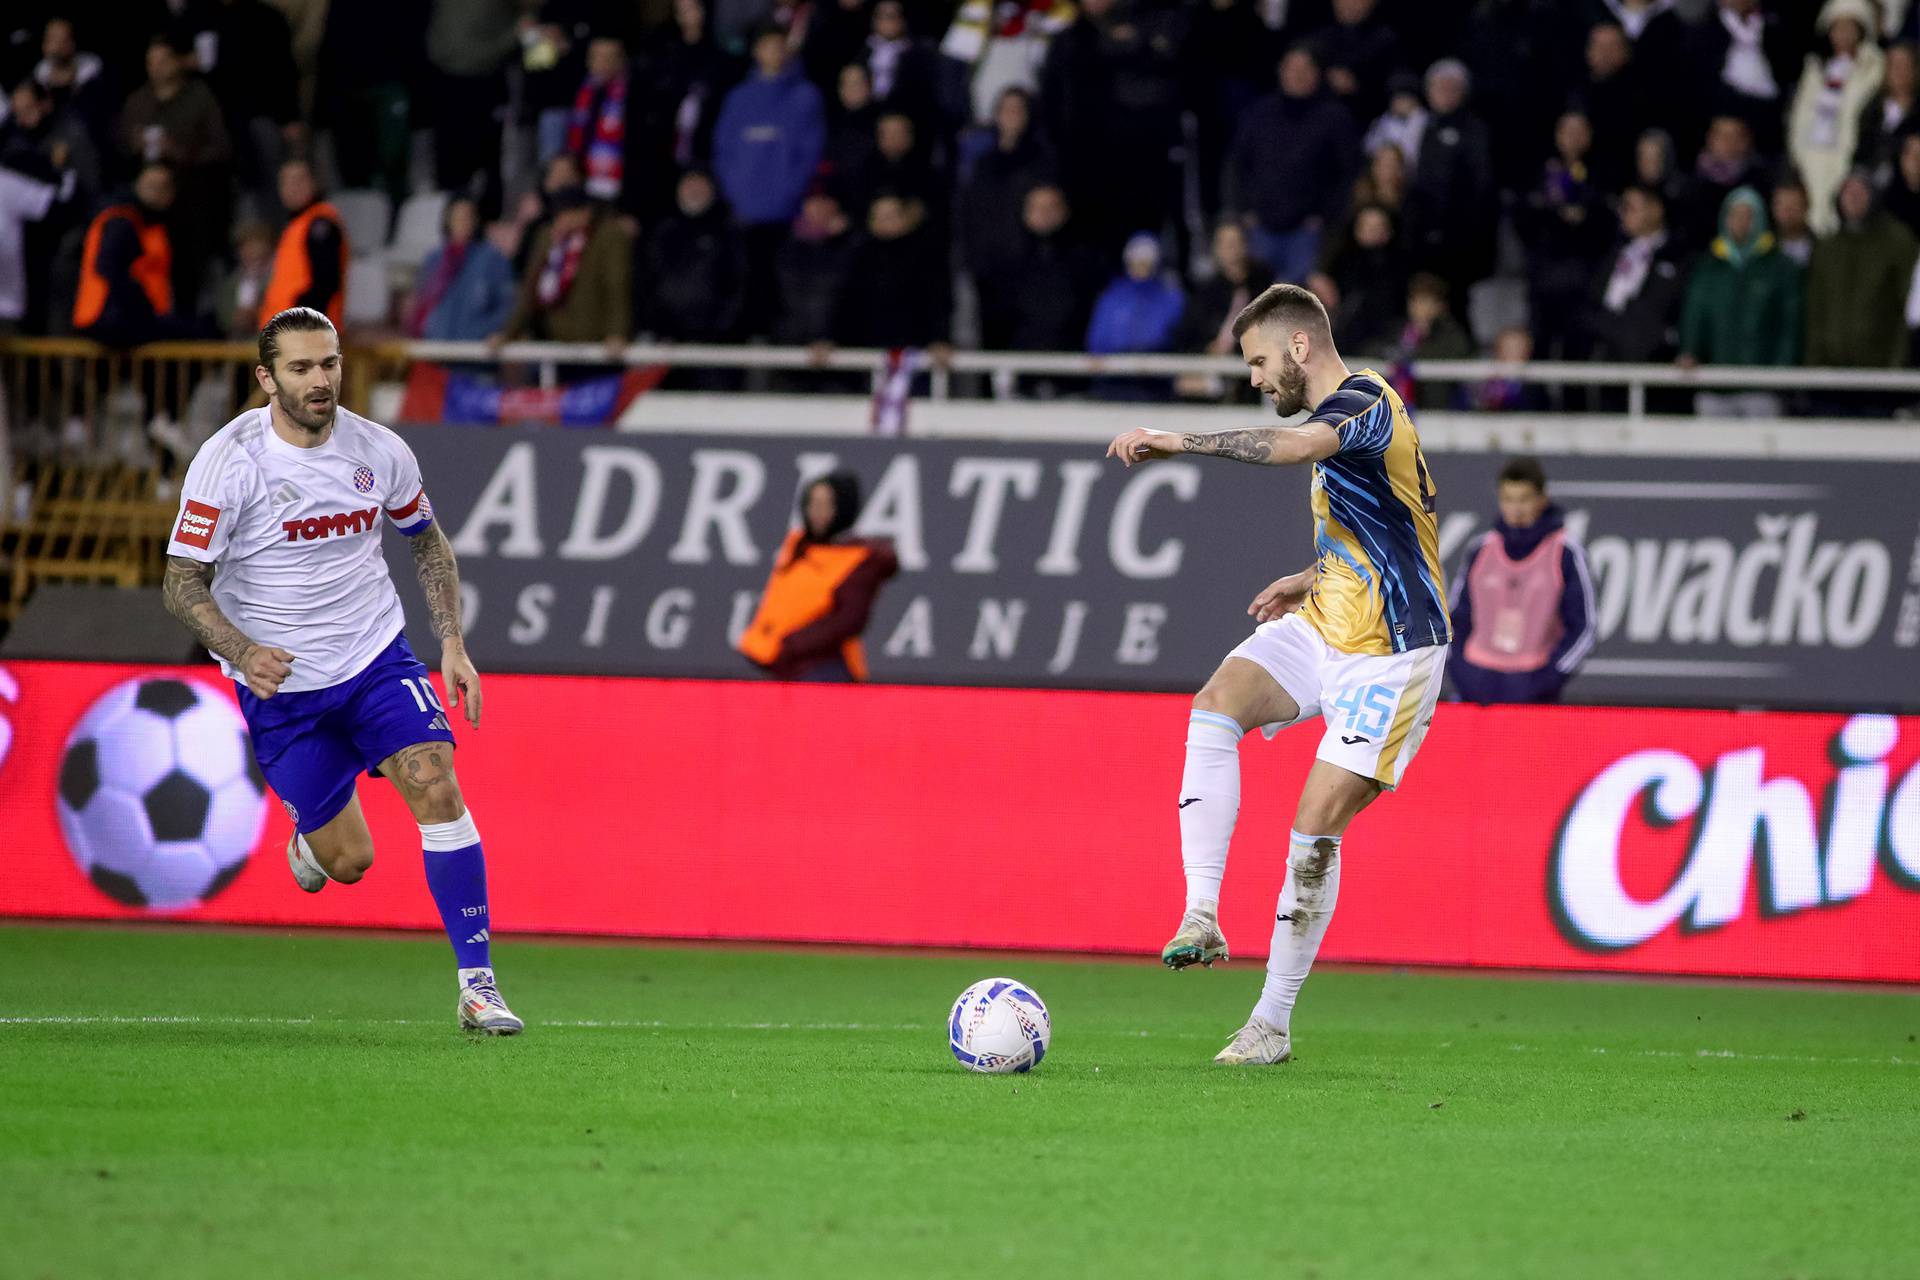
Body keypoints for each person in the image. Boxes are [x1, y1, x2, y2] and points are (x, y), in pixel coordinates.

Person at [1103, 282, 1450, 1066]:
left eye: (1259, 361)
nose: (1256, 381)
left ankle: (1271, 1023)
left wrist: (1178, 442)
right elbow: (1403, 510)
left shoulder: (1364, 402)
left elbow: (1291, 448)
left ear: (1300, 346)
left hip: (1391, 655)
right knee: (1215, 704)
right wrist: (1313, 570)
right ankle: (1200, 913)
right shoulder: (1356, 427)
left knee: (1311, 833)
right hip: (1326, 618)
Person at [160, 307, 521, 1035]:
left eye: (328, 363)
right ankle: (310, 836)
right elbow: (180, 582)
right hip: (282, 686)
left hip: (372, 655)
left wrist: (451, 643)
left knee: (436, 781)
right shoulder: (229, 462)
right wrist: (240, 650)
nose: (320, 380)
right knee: (351, 862)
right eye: (300, 368)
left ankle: (479, 986)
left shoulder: (378, 450)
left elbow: (427, 542)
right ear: (267, 378)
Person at [1447, 456, 1595, 705]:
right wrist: (1464, 673)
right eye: (1508, 499)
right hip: (1475, 691)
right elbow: (1455, 619)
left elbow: (1583, 628)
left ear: (1541, 499)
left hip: (1534, 696)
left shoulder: (1565, 552)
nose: (1516, 509)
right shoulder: (1481, 549)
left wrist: (1547, 678)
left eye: (1524, 499)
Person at [738, 471, 899, 682]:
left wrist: (793, 645)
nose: (817, 512)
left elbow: (848, 621)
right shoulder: (798, 545)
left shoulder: (858, 559)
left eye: (826, 505)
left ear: (842, 508)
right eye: (812, 503)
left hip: (824, 667)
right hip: (781, 662)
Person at [1678, 186, 1803, 416]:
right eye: (1735, 214)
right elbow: (1695, 314)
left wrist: (1779, 374)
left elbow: (1789, 325)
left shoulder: (1780, 267)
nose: (1741, 222)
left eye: (1748, 215)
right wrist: (1690, 349)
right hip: (1714, 384)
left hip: (1760, 388)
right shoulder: (1709, 266)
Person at [492, 185, 631, 354]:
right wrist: (508, 333)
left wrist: (617, 332)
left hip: (597, 345)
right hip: (553, 341)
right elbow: (530, 289)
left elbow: (617, 288)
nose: (559, 220)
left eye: (564, 213)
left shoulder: (608, 237)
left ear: (584, 213)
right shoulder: (548, 237)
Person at [1788, 0, 1885, 237]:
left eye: (1848, 27)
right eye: (1837, 28)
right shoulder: (1816, 70)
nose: (1842, 34)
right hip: (1813, 154)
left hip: (1847, 155)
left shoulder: (1872, 67)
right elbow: (1800, 117)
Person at [1805, 170, 1919, 368]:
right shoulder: (1827, 247)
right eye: (1848, 193)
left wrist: (1898, 362)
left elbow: (1907, 305)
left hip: (1880, 370)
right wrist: (1813, 363)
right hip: (1831, 370)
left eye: (1860, 193)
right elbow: (1816, 309)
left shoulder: (1897, 241)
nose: (1853, 199)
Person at [72, 163, 188, 346]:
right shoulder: (122, 218)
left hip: (122, 317)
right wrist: (142, 308)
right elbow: (109, 268)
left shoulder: (154, 225)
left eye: (163, 187)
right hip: (108, 317)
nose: (156, 193)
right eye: (151, 186)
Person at [408, 196, 515, 340]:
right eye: (457, 217)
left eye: (467, 217)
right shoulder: (434, 259)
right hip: (435, 349)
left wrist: (493, 332)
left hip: (476, 352)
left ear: (476, 220)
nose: (462, 223)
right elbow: (421, 305)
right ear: (448, 220)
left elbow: (507, 307)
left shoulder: (493, 259)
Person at [258, 159, 348, 330]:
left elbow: (325, 283)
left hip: (306, 332)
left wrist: (299, 322)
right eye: (285, 181)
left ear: (314, 182)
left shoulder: (320, 223)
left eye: (299, 180)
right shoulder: (298, 224)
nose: (292, 188)